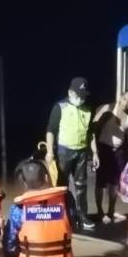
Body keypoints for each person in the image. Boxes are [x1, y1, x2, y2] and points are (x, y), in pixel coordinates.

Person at [3, 160, 76, 257]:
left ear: (24, 184)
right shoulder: (67, 201)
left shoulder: (18, 209)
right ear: (47, 177)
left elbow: (9, 246)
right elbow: (73, 225)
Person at [45, 77, 97, 230]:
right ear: (70, 92)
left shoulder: (88, 109)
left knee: (81, 185)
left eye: (83, 95)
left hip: (81, 151)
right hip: (63, 151)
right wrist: (49, 152)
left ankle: (82, 215)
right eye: (78, 94)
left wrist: (95, 153)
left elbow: (91, 133)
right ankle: (62, 214)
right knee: (61, 185)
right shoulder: (59, 107)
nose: (81, 98)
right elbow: (50, 131)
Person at [92, 90, 128, 223]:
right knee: (100, 183)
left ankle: (111, 211)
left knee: (115, 183)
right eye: (125, 99)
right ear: (120, 98)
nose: (126, 103)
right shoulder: (108, 108)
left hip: (119, 152)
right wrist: (94, 152)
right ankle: (100, 211)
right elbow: (93, 128)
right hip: (103, 149)